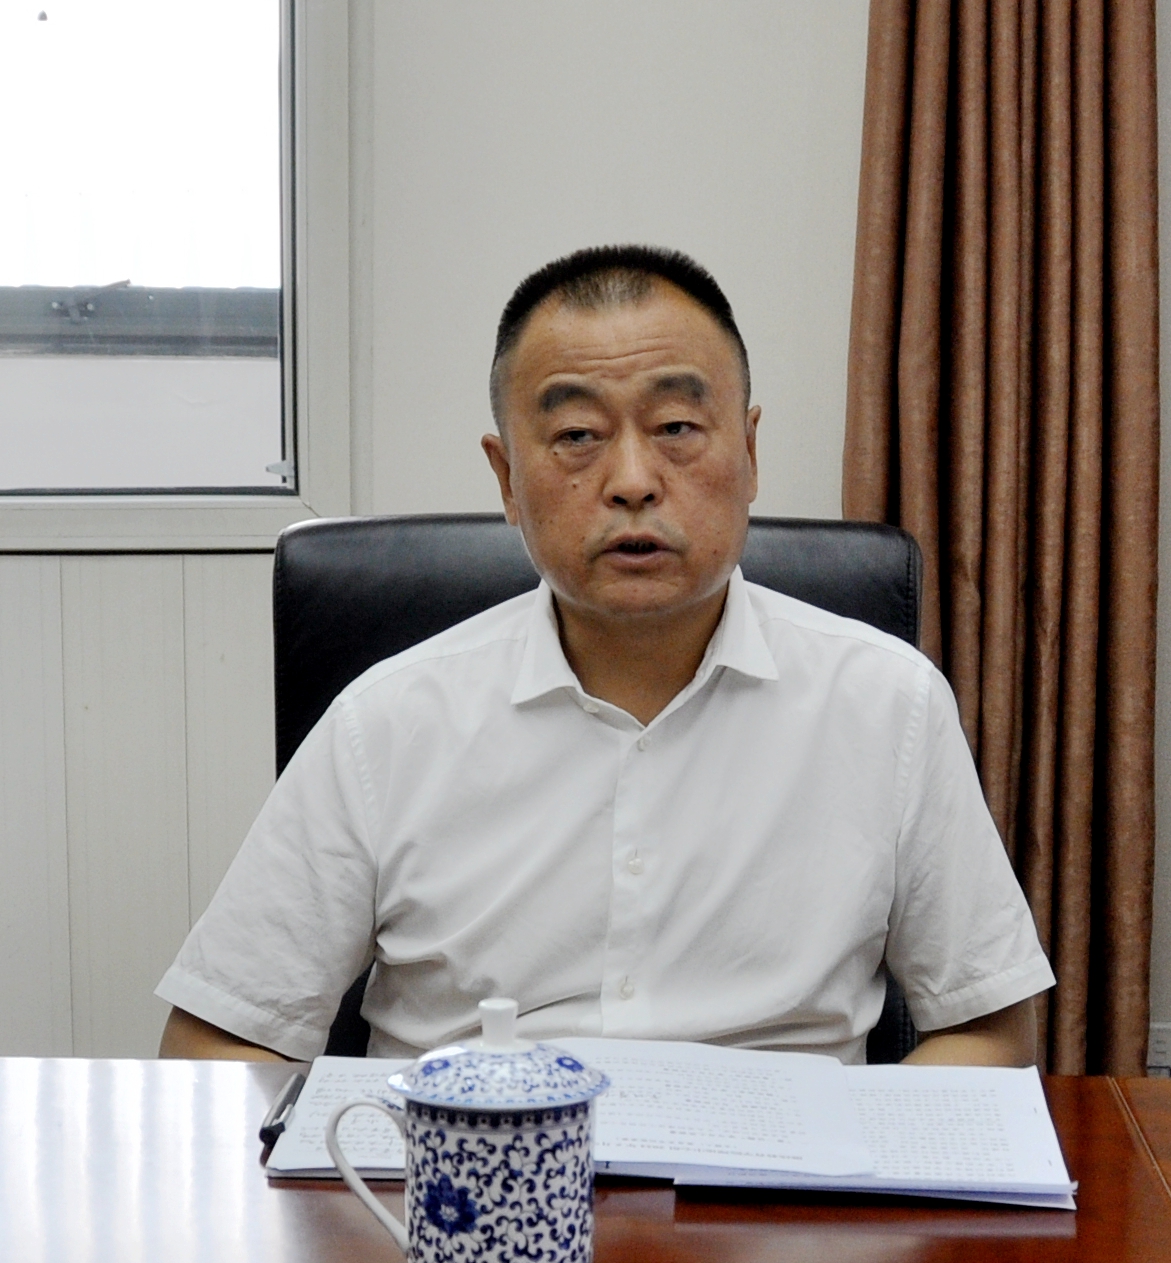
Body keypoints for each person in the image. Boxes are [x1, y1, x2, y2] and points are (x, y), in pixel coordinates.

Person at [158, 245, 1053, 1066]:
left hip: (780, 1181)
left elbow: (985, 1019)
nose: (631, 481)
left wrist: (856, 1160)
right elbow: (221, 1037)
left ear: (748, 451)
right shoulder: (384, 724)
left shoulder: (888, 704)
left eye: (677, 426)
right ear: (507, 479)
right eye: (577, 436)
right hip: (471, 1175)